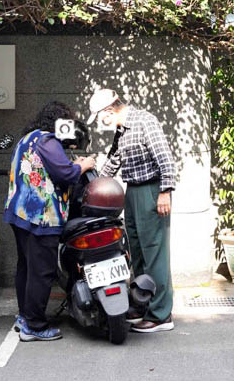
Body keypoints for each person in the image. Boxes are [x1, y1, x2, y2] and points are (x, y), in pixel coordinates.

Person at [4, 101, 96, 341]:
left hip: (19, 212)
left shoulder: (27, 138)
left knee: (26, 266)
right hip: (41, 216)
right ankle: (34, 326)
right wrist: (83, 165)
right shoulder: (47, 141)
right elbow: (65, 174)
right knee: (42, 272)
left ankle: (25, 316)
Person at [88, 88, 176, 332]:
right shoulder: (122, 130)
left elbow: (165, 157)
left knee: (154, 252)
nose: (100, 122)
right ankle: (142, 304)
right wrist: (94, 185)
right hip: (133, 191)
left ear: (109, 110)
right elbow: (114, 161)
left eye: (99, 117)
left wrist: (165, 191)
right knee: (136, 250)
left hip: (151, 190)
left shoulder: (144, 121)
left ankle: (161, 315)